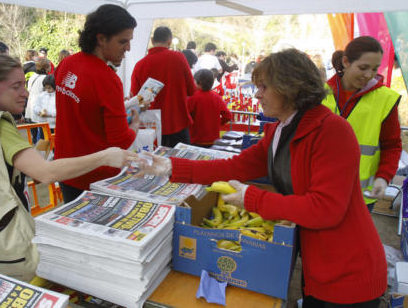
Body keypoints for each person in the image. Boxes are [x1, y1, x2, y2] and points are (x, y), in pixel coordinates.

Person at [139, 48, 387, 307]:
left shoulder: (332, 131)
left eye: (264, 87)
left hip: (349, 270)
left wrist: (253, 199)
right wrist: (170, 166)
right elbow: (232, 167)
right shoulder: (280, 129)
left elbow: (326, 209)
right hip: (318, 263)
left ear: (290, 88)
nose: (257, 94)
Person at [0, 54, 139, 238]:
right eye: (16, 87)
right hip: (0, 237)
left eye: (24, 85)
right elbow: (45, 173)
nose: (25, 93)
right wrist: (104, 157)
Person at [55, 4, 140, 203]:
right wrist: (134, 127)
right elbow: (119, 141)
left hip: (65, 168)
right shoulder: (107, 79)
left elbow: (79, 110)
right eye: (123, 41)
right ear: (101, 39)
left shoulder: (67, 63)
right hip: (96, 177)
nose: (128, 48)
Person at [323, 36, 402, 211]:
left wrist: (383, 177)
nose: (369, 75)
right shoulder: (319, 94)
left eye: (374, 69)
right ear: (345, 62)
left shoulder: (385, 99)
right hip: (319, 191)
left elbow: (392, 145)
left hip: (360, 198)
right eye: (363, 67)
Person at [131, 26, 196, 147]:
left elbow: (136, 98)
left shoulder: (140, 65)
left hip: (151, 127)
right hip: (178, 123)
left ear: (152, 40)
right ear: (170, 41)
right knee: (181, 162)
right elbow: (192, 90)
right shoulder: (179, 57)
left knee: (154, 163)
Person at [188, 69, 231, 147]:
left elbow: (186, 116)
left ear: (199, 82)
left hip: (196, 139)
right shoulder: (217, 98)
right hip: (213, 140)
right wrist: (216, 123)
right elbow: (228, 116)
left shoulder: (193, 97)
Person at [25, 58, 51, 142]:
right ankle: (40, 151)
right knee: (42, 135)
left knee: (35, 134)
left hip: (31, 106)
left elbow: (29, 89)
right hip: (40, 108)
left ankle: (36, 147)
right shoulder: (46, 78)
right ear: (46, 68)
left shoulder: (33, 76)